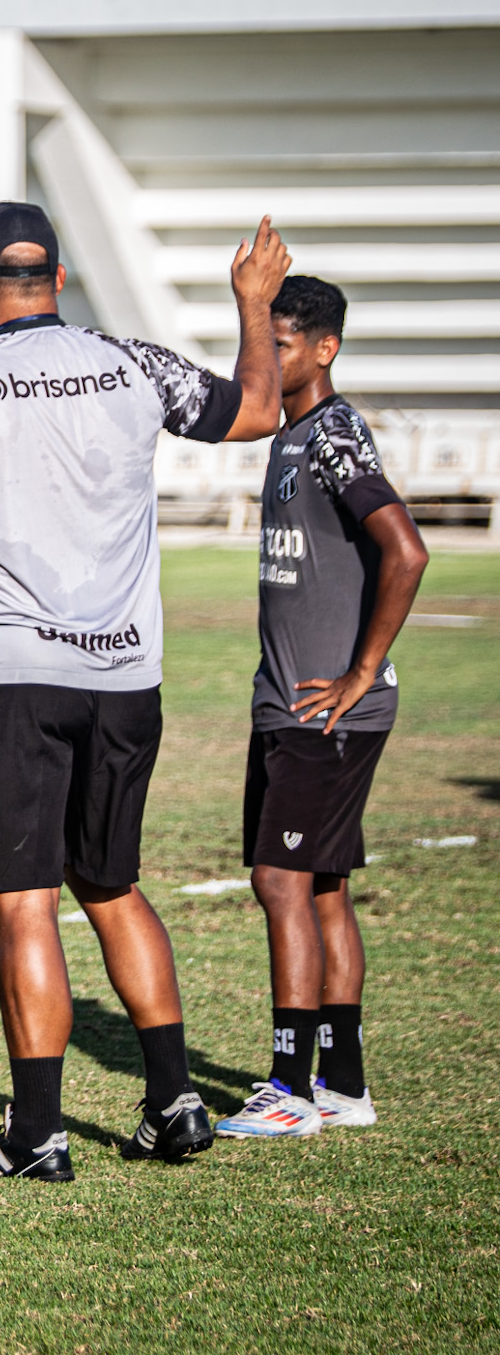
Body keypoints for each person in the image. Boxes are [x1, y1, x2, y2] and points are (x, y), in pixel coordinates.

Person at [0, 202, 292, 1179]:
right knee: (108, 883)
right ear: (56, 280)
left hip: (12, 675)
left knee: (23, 902)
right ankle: (175, 1101)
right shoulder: (129, 362)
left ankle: (35, 1135)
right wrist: (251, 305)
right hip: (122, 673)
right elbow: (254, 411)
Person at [216, 276, 426, 1140]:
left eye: (282, 343)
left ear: (325, 350)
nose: (268, 359)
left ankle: (289, 1085)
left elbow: (405, 550)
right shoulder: (292, 431)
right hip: (289, 709)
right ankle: (342, 1084)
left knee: (282, 881)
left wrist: (360, 672)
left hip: (324, 715)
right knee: (326, 893)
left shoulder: (334, 433)